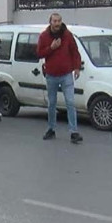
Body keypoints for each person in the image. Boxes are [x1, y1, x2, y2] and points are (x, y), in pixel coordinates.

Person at [37, 12, 83, 143]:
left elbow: (75, 52)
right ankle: (51, 129)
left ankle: (74, 131)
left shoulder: (67, 35)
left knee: (70, 102)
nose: (57, 24)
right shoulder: (44, 36)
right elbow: (39, 53)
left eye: (59, 21)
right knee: (52, 103)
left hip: (66, 74)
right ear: (50, 22)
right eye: (55, 21)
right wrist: (51, 48)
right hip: (51, 75)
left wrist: (77, 67)